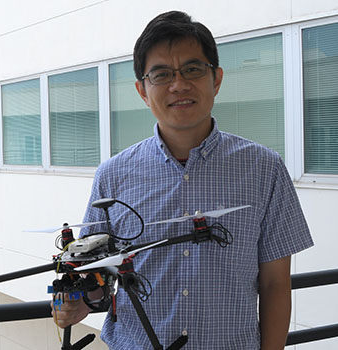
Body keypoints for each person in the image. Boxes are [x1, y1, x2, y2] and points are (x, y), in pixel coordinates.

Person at [52, 10, 314, 350]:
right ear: (142, 91)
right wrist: (73, 303)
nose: (179, 85)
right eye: (161, 74)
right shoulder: (113, 175)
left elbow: (276, 283)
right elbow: (95, 276)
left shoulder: (264, 169)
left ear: (216, 79)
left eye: (192, 69)